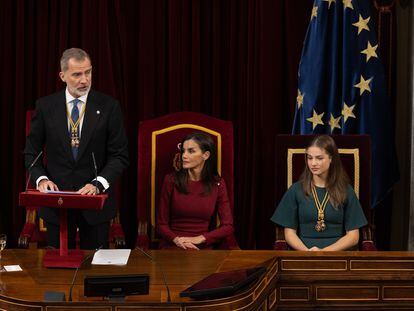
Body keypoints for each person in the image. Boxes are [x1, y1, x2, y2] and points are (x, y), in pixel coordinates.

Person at [24, 48, 129, 249]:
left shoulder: (109, 106)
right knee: (58, 273)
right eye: (77, 74)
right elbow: (32, 152)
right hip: (58, 205)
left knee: (93, 271)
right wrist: (41, 178)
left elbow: (120, 155)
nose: (84, 80)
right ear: (63, 76)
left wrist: (98, 183)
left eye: (88, 72)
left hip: (95, 205)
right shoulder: (46, 106)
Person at [271, 135, 367, 251]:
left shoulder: (346, 190)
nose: (313, 163)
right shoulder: (296, 190)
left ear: (331, 158)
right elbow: (289, 233)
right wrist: (307, 252)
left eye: (319, 158)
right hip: (303, 254)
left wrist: (324, 252)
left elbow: (353, 236)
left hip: (337, 255)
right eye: (310, 158)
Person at [156, 132, 234, 250]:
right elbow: (161, 225)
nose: (184, 156)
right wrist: (177, 240)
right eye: (183, 151)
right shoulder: (170, 180)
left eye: (191, 151)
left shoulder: (218, 184)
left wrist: (200, 238)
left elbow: (228, 226)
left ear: (206, 155)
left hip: (202, 247)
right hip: (173, 245)